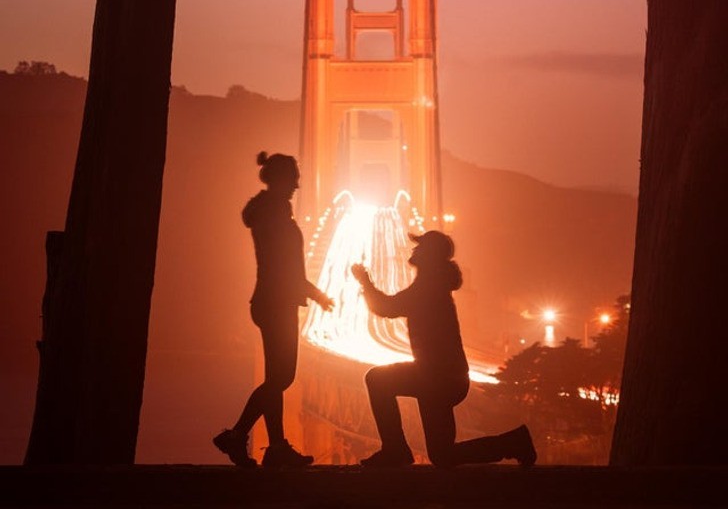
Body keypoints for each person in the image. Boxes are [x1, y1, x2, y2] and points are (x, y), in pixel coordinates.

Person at [351, 230, 536, 468]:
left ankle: (395, 450)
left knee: (377, 380)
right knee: (443, 455)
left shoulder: (427, 289)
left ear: (429, 255)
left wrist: (365, 282)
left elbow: (386, 308)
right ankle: (514, 442)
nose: (414, 250)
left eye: (420, 247)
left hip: (437, 379)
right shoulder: (432, 286)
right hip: (439, 377)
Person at [213, 152, 334, 468]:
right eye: (293, 176)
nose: (297, 183)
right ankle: (237, 435)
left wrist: (312, 293)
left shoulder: (271, 212)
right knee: (281, 378)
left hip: (270, 300)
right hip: (276, 302)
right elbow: (286, 268)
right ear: (280, 180)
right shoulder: (274, 216)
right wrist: (317, 294)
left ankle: (276, 446)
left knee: (275, 379)